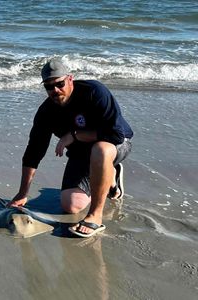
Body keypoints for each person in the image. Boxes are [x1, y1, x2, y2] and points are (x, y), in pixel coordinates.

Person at [8, 59, 133, 238]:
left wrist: (74, 135)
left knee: (101, 150)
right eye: (49, 87)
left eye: (60, 84)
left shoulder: (94, 92)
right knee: (71, 205)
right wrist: (22, 193)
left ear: (70, 79)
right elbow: (34, 152)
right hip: (82, 153)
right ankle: (110, 177)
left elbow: (115, 135)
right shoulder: (46, 112)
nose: (55, 90)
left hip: (115, 145)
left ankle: (95, 216)